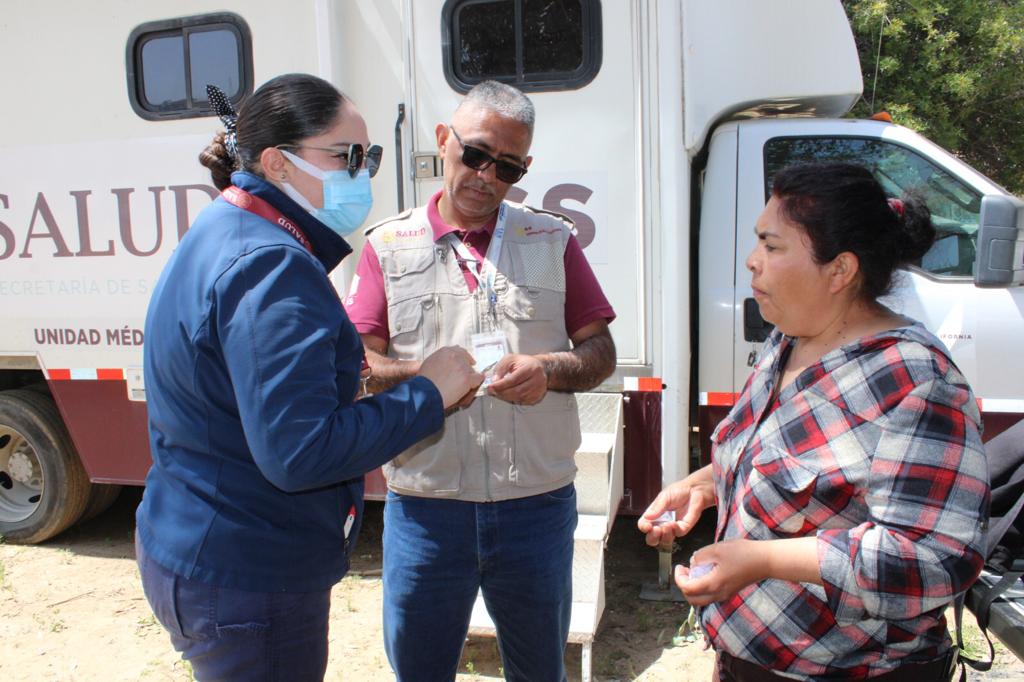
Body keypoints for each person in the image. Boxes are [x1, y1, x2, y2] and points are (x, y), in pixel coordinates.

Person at [134, 74, 482, 681]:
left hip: (205, 546)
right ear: (277, 163)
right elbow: (300, 452)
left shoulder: (228, 227)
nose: (362, 173)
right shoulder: (270, 263)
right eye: (346, 156)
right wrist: (430, 392)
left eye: (368, 157)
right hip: (251, 573)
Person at [638, 162, 989, 680]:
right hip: (750, 661)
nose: (752, 262)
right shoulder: (788, 339)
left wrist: (764, 560)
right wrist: (705, 485)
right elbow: (788, 459)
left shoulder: (916, 380)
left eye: (773, 246)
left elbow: (935, 559)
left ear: (840, 270)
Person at [344, 80, 617, 681]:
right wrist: (429, 381)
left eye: (508, 166)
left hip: (536, 510)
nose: (487, 177)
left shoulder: (553, 239)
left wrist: (547, 370)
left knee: (540, 672)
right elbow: (357, 366)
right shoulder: (387, 247)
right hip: (425, 509)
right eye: (475, 155)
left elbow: (600, 353)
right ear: (444, 141)